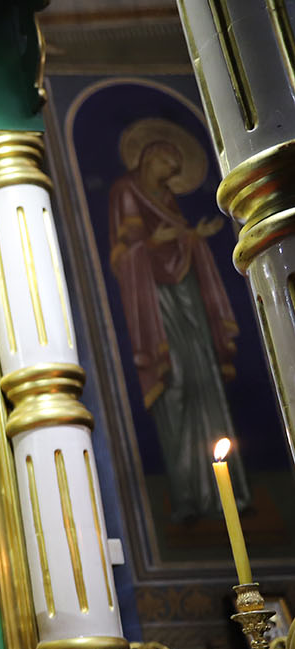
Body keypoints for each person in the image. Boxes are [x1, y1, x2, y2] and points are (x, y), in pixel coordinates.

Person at [108, 132, 247, 520]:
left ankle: (227, 492)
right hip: (154, 303)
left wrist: (193, 237)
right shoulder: (125, 191)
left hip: (187, 296)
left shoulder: (166, 196)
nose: (171, 173)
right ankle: (188, 493)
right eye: (167, 164)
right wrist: (153, 243)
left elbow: (176, 239)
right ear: (150, 156)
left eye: (175, 169)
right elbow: (125, 253)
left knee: (205, 380)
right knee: (175, 385)